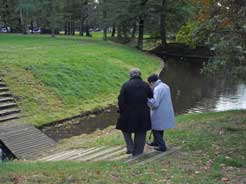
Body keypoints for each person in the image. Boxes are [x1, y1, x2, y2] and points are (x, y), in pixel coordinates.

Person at [116, 68, 153, 156]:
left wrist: (121, 111)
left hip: (128, 113)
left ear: (130, 75)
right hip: (143, 113)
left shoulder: (126, 85)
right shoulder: (145, 85)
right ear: (140, 75)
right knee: (141, 132)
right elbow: (151, 96)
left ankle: (130, 147)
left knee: (124, 129)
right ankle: (138, 152)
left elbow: (121, 100)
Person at [147, 74, 175, 152]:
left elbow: (155, 104)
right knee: (160, 128)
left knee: (156, 129)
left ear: (152, 82)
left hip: (160, 111)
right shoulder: (165, 85)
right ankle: (156, 142)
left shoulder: (157, 89)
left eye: (150, 84)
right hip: (165, 110)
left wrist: (147, 99)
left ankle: (162, 146)